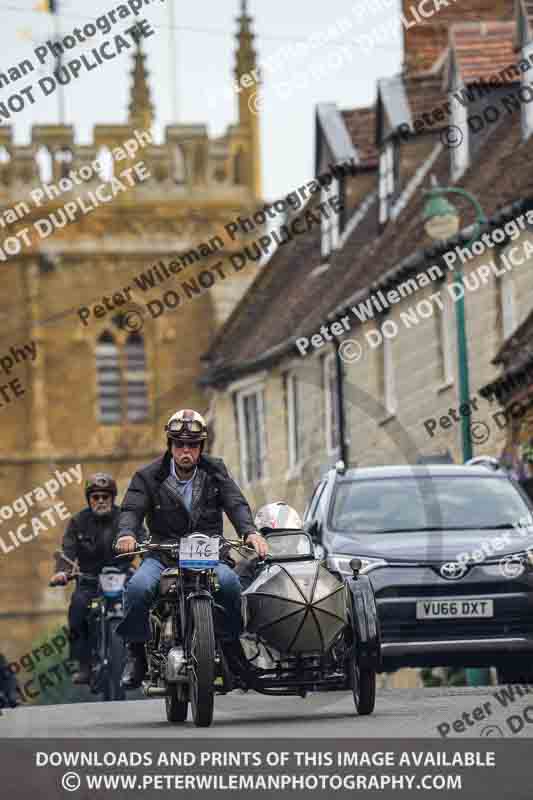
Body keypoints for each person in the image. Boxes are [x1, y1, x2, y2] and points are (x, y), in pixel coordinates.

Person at [115, 408, 268, 689]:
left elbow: (235, 502)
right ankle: (136, 654)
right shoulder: (147, 477)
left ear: (201, 448)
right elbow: (132, 508)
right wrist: (126, 533)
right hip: (163, 554)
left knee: (231, 585)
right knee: (137, 589)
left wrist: (250, 532)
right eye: (180, 444)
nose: (186, 450)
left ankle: (232, 649)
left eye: (193, 445)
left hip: (209, 554)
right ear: (170, 446)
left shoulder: (216, 470)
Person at [49, 473, 130, 685]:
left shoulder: (126, 519)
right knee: (77, 608)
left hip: (122, 578)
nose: (101, 500)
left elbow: (141, 540)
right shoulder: (78, 522)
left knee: (142, 604)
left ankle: (140, 660)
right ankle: (83, 664)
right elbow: (67, 551)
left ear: (112, 498)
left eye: (105, 496)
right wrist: (62, 572)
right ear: (89, 499)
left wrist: (148, 560)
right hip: (90, 581)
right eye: (96, 497)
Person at [236, 502, 303, 589]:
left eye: (288, 537)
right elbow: (243, 596)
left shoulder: (306, 566)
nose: (282, 544)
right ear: (261, 537)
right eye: (275, 538)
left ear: (296, 539)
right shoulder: (250, 568)